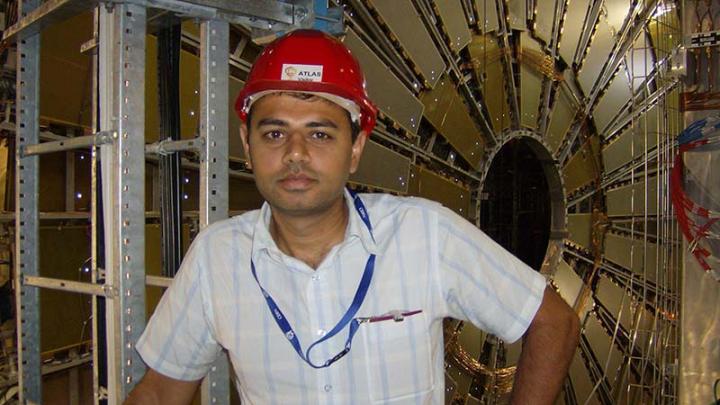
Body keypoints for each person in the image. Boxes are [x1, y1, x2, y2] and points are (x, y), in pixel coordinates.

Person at [125, 29, 579, 404]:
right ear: (248, 144)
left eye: (320, 134)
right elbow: (163, 389)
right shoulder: (216, 258)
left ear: (356, 147)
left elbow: (552, 321)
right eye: (275, 132)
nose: (295, 154)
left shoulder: (424, 234)